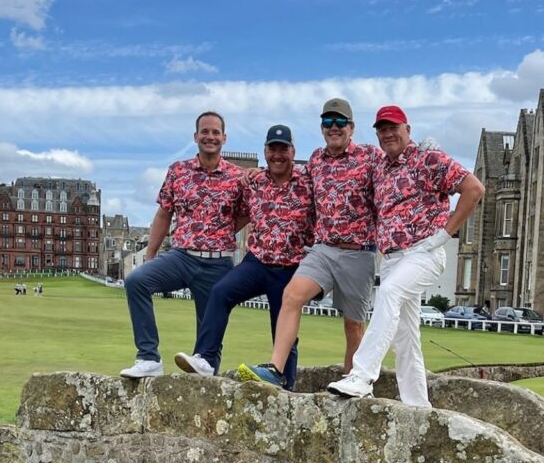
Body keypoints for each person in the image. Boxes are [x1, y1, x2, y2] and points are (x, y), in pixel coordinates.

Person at [327, 105, 484, 407]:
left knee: (388, 293)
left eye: (393, 127)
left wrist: (445, 233)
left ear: (407, 130)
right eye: (382, 129)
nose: (388, 134)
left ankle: (361, 375)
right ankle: (418, 407)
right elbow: (348, 162)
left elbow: (473, 189)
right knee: (406, 339)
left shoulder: (428, 159)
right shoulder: (379, 167)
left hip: (423, 252)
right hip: (392, 259)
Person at [239, 97, 379, 386]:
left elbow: (398, 164)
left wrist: (420, 150)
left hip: (359, 252)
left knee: (353, 324)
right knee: (292, 296)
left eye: (340, 121)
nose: (334, 127)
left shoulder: (370, 156)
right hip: (324, 250)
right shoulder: (315, 160)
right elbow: (288, 177)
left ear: (351, 127)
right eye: (328, 122)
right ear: (322, 127)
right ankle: (276, 370)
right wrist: (258, 173)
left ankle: (353, 380)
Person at [174, 124, 314, 388]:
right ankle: (205, 358)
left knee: (283, 329)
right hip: (256, 261)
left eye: (283, 149)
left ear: (293, 152)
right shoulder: (254, 181)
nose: (278, 155)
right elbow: (228, 203)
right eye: (272, 149)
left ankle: (288, 385)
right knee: (221, 292)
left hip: (290, 266)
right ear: (265, 151)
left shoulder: (307, 181)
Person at [121, 111, 246, 379]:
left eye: (215, 132)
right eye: (205, 131)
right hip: (182, 257)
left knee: (208, 338)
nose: (210, 136)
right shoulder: (179, 171)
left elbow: (247, 213)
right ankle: (148, 358)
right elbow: (164, 213)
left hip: (218, 262)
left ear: (224, 138)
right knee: (136, 282)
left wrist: (221, 230)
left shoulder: (238, 177)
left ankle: (207, 379)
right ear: (195, 136)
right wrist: (151, 254)